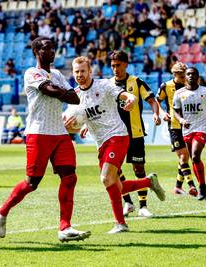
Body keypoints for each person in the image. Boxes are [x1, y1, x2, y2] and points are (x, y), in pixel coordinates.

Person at [0, 36, 91, 242]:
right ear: (36, 52)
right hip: (38, 132)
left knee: (70, 177)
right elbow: (50, 90)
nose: (52, 51)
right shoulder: (32, 73)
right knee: (32, 183)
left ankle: (65, 227)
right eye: (47, 48)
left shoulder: (56, 73)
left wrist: (61, 92)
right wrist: (61, 92)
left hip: (60, 132)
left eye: (53, 48)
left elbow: (74, 97)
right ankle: (2, 211)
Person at [64, 56, 166, 233]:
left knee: (106, 178)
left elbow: (125, 95)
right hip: (101, 142)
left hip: (117, 136)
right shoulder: (75, 97)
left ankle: (120, 224)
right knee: (113, 184)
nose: (80, 74)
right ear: (73, 74)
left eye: (83, 71)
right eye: (76, 72)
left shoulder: (103, 86)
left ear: (90, 71)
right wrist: (71, 127)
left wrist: (131, 99)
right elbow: (73, 126)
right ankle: (148, 182)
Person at [109, 50, 161, 217]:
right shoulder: (108, 85)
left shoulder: (136, 82)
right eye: (112, 66)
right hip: (115, 134)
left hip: (135, 133)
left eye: (118, 65)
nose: (115, 69)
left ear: (126, 64)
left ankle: (143, 206)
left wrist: (155, 113)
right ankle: (128, 203)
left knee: (139, 169)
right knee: (114, 170)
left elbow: (152, 100)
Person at [173, 67, 206, 201]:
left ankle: (202, 187)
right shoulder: (179, 93)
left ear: (198, 77)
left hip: (201, 127)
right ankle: (203, 187)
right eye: (188, 74)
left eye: (193, 74)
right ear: (185, 77)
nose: (191, 76)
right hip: (187, 129)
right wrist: (181, 120)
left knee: (195, 155)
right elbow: (175, 110)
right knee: (194, 160)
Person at [157, 62, 198, 196]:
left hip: (189, 125)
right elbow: (156, 101)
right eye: (181, 77)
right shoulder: (166, 86)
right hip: (174, 125)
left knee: (185, 158)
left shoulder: (189, 86)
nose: (183, 79)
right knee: (183, 155)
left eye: (184, 76)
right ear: (174, 75)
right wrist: (162, 113)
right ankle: (191, 185)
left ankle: (177, 187)